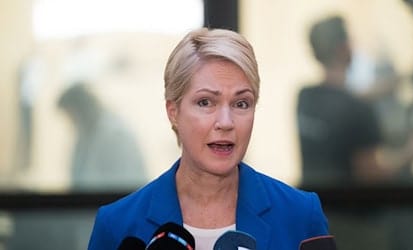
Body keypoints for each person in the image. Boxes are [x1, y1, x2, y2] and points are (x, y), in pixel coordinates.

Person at [88, 28, 329, 249]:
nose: (225, 122)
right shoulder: (117, 225)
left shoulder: (300, 214)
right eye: (206, 102)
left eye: (241, 103)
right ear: (173, 111)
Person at [296, 16, 413, 188]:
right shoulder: (357, 109)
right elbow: (372, 175)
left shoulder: (305, 97)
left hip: (315, 207)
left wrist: (401, 79)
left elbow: (343, 102)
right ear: (343, 48)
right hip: (350, 212)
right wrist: (412, 151)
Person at [58, 83, 147, 191]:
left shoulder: (114, 135)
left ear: (81, 109)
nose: (71, 122)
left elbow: (122, 183)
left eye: (71, 115)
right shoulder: (85, 136)